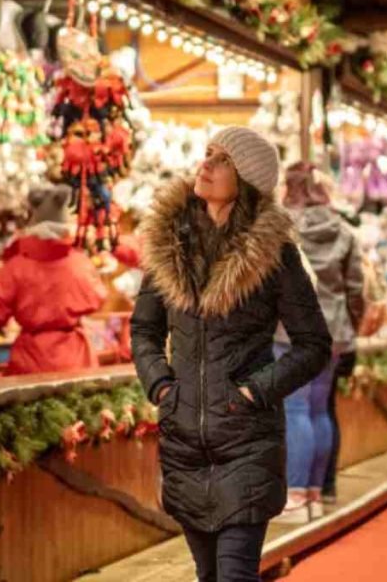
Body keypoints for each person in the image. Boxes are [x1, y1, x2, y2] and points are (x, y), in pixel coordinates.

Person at [131, 127, 332, 581]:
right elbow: (145, 329)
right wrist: (161, 386)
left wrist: (254, 392)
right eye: (207, 154)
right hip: (184, 444)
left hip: (247, 441)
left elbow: (314, 344)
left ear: (246, 181)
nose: (206, 164)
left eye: (222, 160)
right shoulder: (170, 246)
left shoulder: (274, 255)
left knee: (234, 576)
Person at [274, 162, 365, 522]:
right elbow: (356, 289)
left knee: (295, 410)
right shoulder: (343, 230)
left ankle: (295, 497)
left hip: (290, 332)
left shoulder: (280, 228)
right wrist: (349, 326)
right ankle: (315, 493)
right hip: (333, 333)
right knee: (317, 410)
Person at [0, 184, 106, 375]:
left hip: (31, 362)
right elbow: (99, 298)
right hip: (78, 361)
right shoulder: (81, 263)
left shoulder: (15, 268)